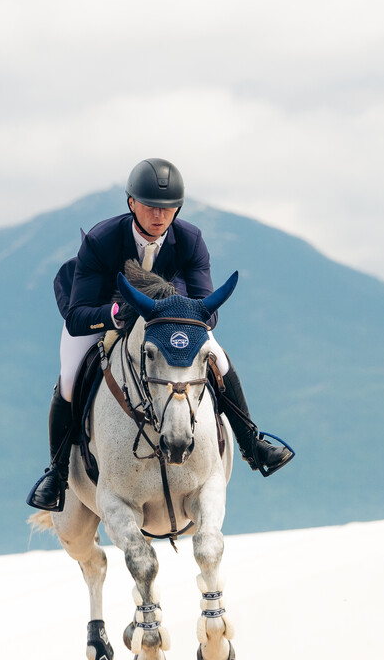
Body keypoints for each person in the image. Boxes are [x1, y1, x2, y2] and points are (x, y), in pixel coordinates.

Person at [27, 158, 293, 512]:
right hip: (102, 314)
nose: (159, 216)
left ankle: (251, 444)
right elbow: (78, 317)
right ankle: (58, 474)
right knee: (71, 379)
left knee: (219, 358)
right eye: (151, 207)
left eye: (168, 209)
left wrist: (176, 312)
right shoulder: (102, 240)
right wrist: (118, 313)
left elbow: (207, 311)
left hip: (169, 323)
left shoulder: (190, 239)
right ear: (131, 203)